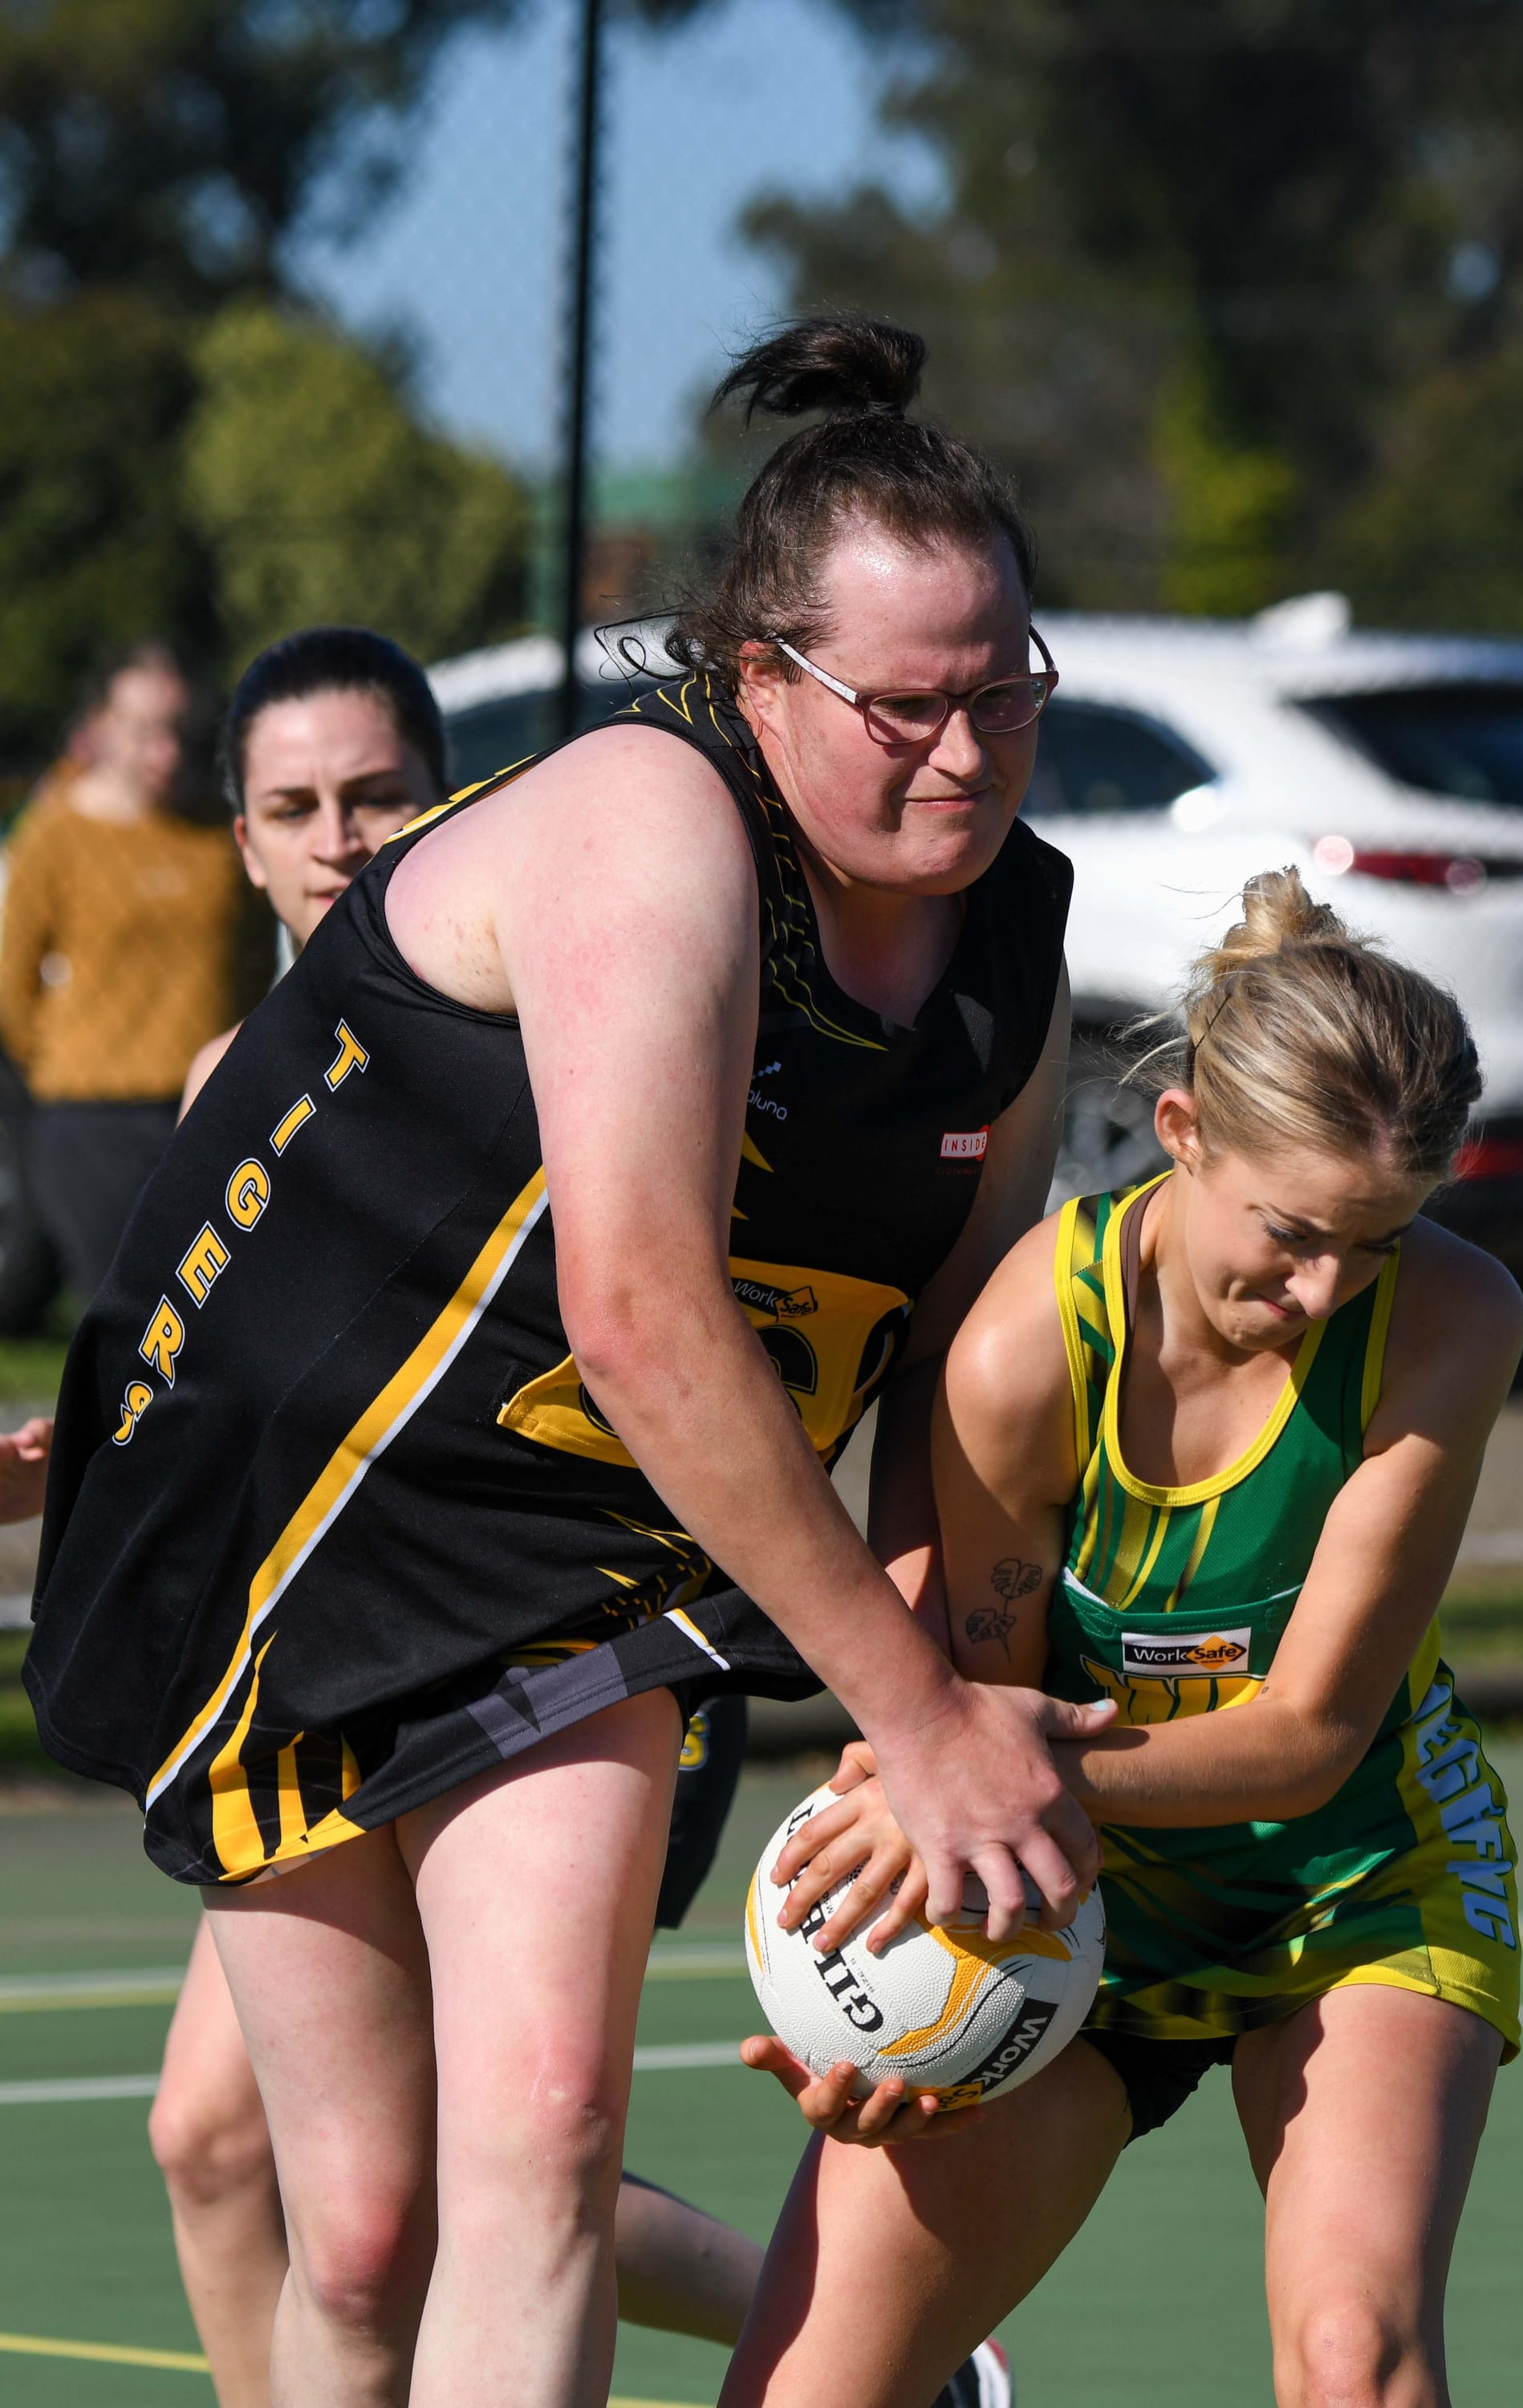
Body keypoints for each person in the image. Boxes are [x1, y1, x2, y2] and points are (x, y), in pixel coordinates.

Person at [23, 315, 1111, 2408]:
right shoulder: (649, 825)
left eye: (1005, 694)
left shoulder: (1011, 951)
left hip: (581, 1551)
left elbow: (965, 1386)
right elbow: (639, 1307)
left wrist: (950, 1714)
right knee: (354, 2227)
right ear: (761, 676)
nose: (963, 753)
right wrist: (907, 1704)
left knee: (540, 2142)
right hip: (275, 1497)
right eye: (902, 708)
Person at [727, 868, 1523, 2408]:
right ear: (1179, 1137)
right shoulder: (1031, 1347)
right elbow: (978, 1707)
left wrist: (984, 1777)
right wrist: (898, 2009)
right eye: (1293, 1234)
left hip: (1360, 1879)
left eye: (1375, 1242)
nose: (1324, 1289)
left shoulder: (1450, 1317)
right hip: (1080, 1908)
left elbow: (1308, 1737)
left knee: (1357, 2360)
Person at [0, 642, 243, 1301]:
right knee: (128, 1311)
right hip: (90, 1120)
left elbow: (251, 961)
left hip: (206, 1107)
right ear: (101, 726)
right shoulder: (55, 834)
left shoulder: (221, 833)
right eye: (142, 731)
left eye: (177, 732)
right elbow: (12, 984)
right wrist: (64, 1067)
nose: (162, 752)